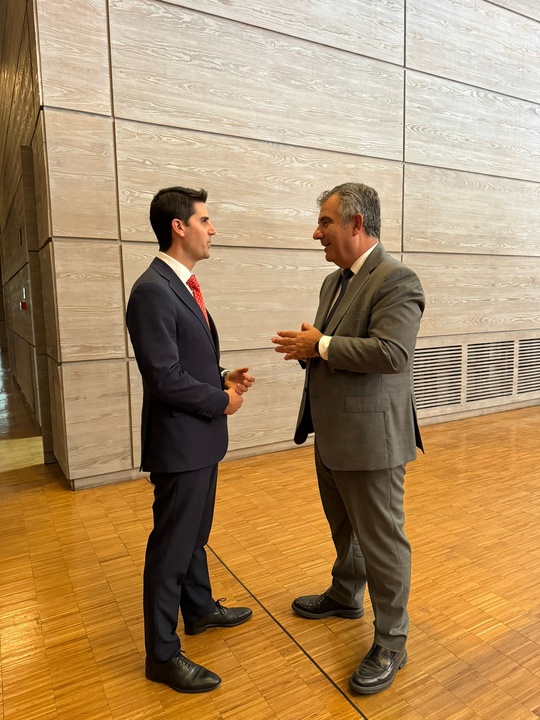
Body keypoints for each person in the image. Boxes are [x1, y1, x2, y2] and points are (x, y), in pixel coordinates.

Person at [271, 182, 425, 695]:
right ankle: (344, 595)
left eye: (325, 223)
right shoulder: (333, 281)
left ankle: (392, 641)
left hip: (372, 439)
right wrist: (312, 350)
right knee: (346, 530)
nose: (317, 233)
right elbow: (334, 348)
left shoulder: (397, 279)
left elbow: (392, 353)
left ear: (357, 224)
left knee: (383, 543)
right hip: (332, 432)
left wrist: (324, 344)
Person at [126, 186, 255, 694]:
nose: (212, 228)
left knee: (194, 536)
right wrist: (222, 401)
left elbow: (187, 362)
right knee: (171, 549)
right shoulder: (152, 289)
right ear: (179, 227)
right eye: (205, 219)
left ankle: (198, 610)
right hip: (180, 445)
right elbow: (163, 376)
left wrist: (221, 375)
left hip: (199, 440)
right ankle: (161, 654)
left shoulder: (183, 285)